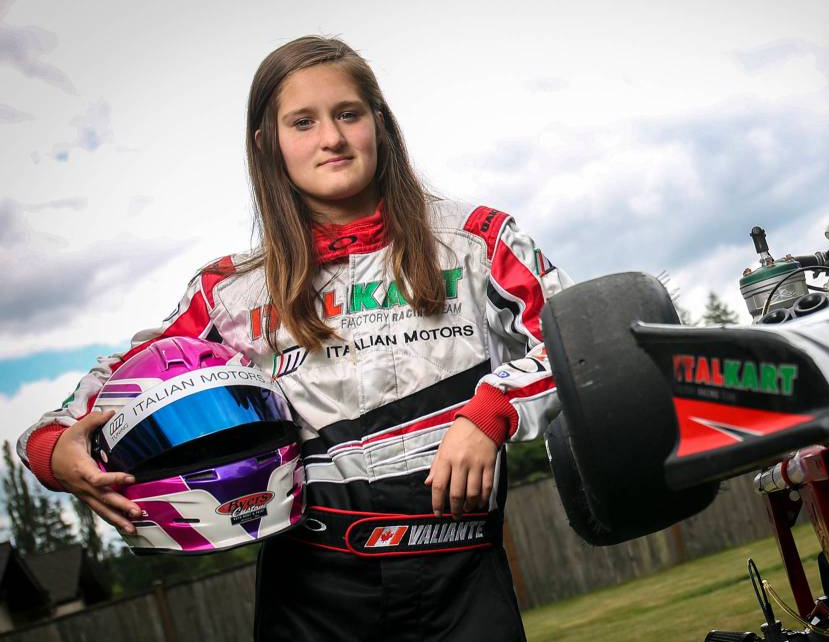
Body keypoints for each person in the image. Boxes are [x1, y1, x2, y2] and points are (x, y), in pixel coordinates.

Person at [17, 36, 571, 641]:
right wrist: (51, 449)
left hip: (463, 575)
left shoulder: (476, 242)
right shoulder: (228, 293)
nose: (330, 137)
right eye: (302, 122)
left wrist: (490, 412)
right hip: (311, 592)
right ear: (268, 143)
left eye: (348, 114)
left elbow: (577, 342)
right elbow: (113, 387)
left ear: (379, 124)